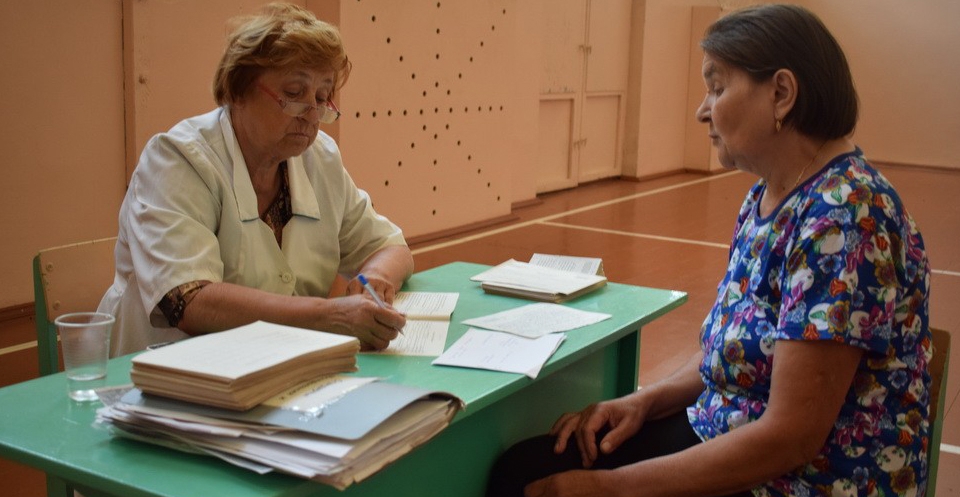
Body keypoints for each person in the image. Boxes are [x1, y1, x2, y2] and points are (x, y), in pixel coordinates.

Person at [487, 4, 931, 497]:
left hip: (806, 481)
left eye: (717, 88)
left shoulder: (846, 217)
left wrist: (609, 489)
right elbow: (736, 350)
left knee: (533, 482)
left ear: (781, 94)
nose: (703, 110)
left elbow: (791, 439)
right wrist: (647, 401)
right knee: (523, 470)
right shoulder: (771, 194)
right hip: (730, 428)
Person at [98, 3, 413, 356]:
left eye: (322, 97)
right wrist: (331, 315)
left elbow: (390, 246)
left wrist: (376, 280)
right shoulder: (178, 158)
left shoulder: (319, 157)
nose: (312, 113)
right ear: (238, 90)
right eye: (293, 93)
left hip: (273, 365)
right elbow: (188, 300)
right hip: (165, 371)